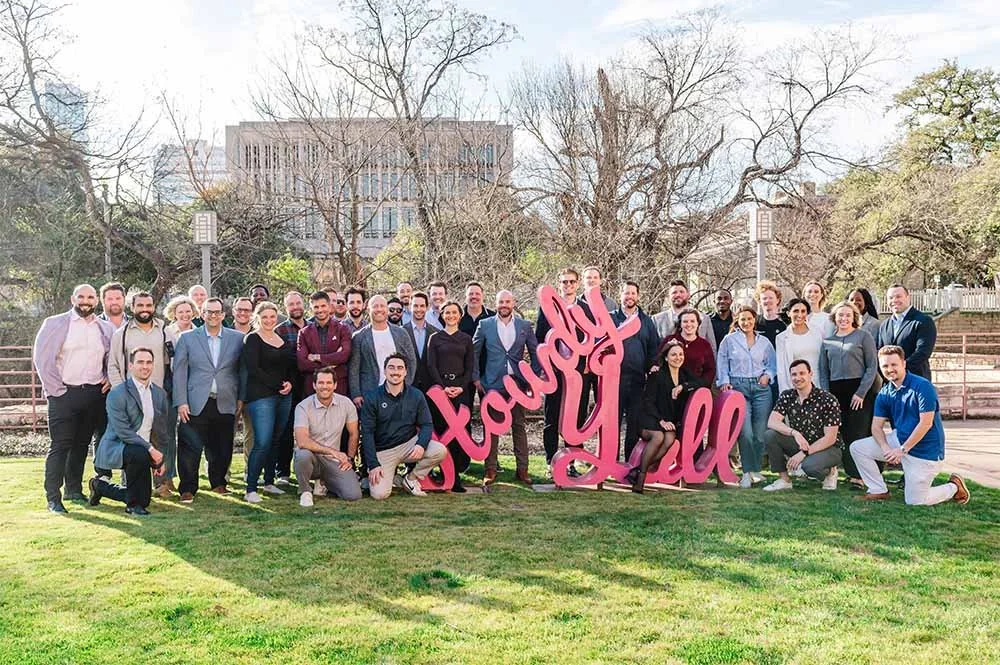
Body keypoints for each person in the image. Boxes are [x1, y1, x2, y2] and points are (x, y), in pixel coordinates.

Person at [850, 346, 969, 505]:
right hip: (899, 441)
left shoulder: (922, 386)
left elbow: (926, 423)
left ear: (904, 364)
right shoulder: (885, 393)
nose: (890, 369)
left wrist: (902, 450)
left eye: (894, 365)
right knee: (858, 448)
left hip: (925, 451)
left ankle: (954, 486)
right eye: (885, 366)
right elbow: (876, 427)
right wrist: (886, 448)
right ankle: (878, 490)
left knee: (916, 501)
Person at [33, 284, 115, 512]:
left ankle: (73, 490)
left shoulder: (105, 328)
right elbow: (42, 360)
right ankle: (53, 498)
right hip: (63, 393)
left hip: (93, 394)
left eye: (90, 297)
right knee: (60, 445)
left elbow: (112, 358)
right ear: (73, 298)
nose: (85, 301)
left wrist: (108, 376)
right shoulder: (55, 323)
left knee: (81, 444)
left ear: (96, 301)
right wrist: (56, 391)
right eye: (81, 296)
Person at [171, 297, 244, 502]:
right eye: (208, 312)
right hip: (194, 401)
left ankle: (219, 483)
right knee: (189, 446)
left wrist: (241, 399)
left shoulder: (237, 338)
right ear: (202, 314)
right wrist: (181, 401)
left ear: (223, 314)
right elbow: (179, 372)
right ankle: (187, 488)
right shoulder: (187, 338)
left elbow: (242, 371)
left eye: (217, 312)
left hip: (225, 400)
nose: (213, 315)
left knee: (221, 446)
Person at [107, 291, 175, 497]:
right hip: (132, 396)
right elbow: (113, 365)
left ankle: (163, 483)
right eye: (140, 306)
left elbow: (173, 359)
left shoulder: (164, 329)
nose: (144, 309)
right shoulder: (122, 333)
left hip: (158, 395)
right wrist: (122, 393)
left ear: (154, 307)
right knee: (134, 439)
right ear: (132, 307)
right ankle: (130, 482)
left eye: (148, 305)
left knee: (163, 438)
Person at [473, 290, 541, 485]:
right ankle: (491, 469)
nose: (504, 305)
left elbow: (535, 352)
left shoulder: (524, 326)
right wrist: (476, 378)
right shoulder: (485, 325)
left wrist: (533, 378)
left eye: (507, 301)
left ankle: (522, 469)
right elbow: (474, 352)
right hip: (492, 384)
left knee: (519, 426)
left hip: (518, 384)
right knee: (491, 427)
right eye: (501, 301)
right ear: (496, 303)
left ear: (514, 303)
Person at [88, 348, 168, 515]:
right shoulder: (118, 393)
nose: (145, 366)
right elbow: (123, 431)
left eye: (148, 362)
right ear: (131, 366)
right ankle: (132, 506)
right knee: (138, 453)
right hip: (118, 446)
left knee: (144, 499)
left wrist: (160, 459)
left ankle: (100, 486)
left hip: (144, 450)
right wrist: (150, 450)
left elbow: (160, 431)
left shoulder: (159, 394)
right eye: (140, 362)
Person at [361, 353, 447, 499]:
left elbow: (426, 424)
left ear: (406, 372)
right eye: (392, 368)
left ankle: (411, 479)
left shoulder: (416, 395)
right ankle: (386, 478)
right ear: (385, 371)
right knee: (380, 494)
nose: (396, 372)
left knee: (439, 450)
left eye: (400, 368)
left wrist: (420, 445)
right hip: (383, 451)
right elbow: (367, 433)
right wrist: (373, 464)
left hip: (409, 445)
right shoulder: (372, 397)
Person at [626, 340, 701, 494]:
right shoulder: (657, 374)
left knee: (670, 439)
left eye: (680, 354)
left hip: (669, 421)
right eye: (673, 354)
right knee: (659, 437)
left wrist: (683, 386)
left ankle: (637, 470)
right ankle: (641, 477)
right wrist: (661, 421)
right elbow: (648, 402)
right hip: (649, 418)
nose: (678, 357)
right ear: (666, 357)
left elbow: (703, 383)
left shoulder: (684, 374)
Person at [817, 301, 878, 489]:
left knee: (858, 433)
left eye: (848, 315)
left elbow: (872, 367)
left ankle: (859, 476)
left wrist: (860, 393)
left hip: (859, 391)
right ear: (834, 318)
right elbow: (823, 371)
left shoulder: (863, 336)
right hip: (836, 392)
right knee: (840, 433)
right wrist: (828, 397)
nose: (843, 318)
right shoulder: (827, 341)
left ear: (854, 318)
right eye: (840, 315)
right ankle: (848, 471)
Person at [716, 304, 777, 488]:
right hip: (738, 387)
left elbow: (772, 365)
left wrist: (768, 375)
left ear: (754, 320)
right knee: (746, 433)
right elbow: (722, 362)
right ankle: (746, 471)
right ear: (738, 321)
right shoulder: (729, 340)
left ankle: (755, 470)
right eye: (743, 319)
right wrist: (724, 381)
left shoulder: (764, 342)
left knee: (759, 434)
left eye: (750, 319)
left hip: (760, 389)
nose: (746, 322)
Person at [241, 301, 295, 503]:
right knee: (262, 442)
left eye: (272, 317)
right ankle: (251, 488)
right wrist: (278, 384)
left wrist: (289, 383)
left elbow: (290, 366)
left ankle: (269, 482)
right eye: (265, 317)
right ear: (257, 318)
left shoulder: (281, 339)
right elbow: (254, 370)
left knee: (275, 440)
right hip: (261, 396)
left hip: (283, 396)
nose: (269, 320)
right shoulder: (252, 339)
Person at [762, 359, 843, 492]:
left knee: (809, 467)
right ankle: (784, 480)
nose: (797, 378)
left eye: (802, 373)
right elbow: (772, 422)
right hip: (801, 443)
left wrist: (804, 453)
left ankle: (829, 472)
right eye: (794, 374)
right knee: (770, 435)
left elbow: (830, 438)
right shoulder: (787, 396)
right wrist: (795, 433)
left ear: (810, 374)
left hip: (828, 448)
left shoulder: (827, 399)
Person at [536, 268, 586, 478]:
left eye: (571, 282)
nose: (568, 286)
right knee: (552, 416)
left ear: (577, 284)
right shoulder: (548, 308)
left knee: (575, 418)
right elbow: (539, 337)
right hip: (554, 370)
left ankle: (571, 462)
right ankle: (551, 462)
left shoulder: (586, 308)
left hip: (576, 372)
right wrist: (544, 367)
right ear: (559, 284)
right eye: (564, 282)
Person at [293, 366, 362, 506]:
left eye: (329, 383)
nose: (325, 387)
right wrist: (333, 451)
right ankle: (305, 491)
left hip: (333, 461)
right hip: (311, 458)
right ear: (314, 385)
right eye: (321, 383)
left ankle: (325, 482)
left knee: (353, 495)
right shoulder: (303, 407)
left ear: (335, 385)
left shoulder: (346, 404)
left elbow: (354, 434)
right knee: (302, 454)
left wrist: (349, 458)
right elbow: (301, 441)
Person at [427, 300, 477, 493]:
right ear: (442, 315)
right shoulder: (435, 338)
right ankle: (440, 472)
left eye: (454, 312)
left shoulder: (466, 339)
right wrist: (442, 387)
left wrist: (460, 387)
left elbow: (470, 366)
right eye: (447, 312)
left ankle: (455, 477)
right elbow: (431, 366)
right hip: (441, 393)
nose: (450, 315)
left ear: (459, 315)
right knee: (441, 433)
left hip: (460, 392)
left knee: (458, 435)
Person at [611, 281, 659, 462]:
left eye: (633, 293)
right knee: (613, 423)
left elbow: (653, 349)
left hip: (638, 380)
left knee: (633, 423)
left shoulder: (646, 321)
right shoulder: (611, 318)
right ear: (620, 295)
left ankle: (630, 462)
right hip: (614, 380)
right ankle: (611, 461)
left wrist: (652, 367)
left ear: (637, 296)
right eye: (626, 293)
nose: (629, 296)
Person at [348, 295, 417, 407]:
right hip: (370, 392)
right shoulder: (359, 337)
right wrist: (356, 393)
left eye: (382, 306)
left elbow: (411, 361)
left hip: (398, 391)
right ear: (368, 309)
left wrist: (406, 384)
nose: (379, 309)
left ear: (387, 309)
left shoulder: (401, 333)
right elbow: (354, 368)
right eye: (375, 306)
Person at [273, 291, 307, 486]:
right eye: (291, 304)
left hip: (311, 385)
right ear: (286, 308)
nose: (295, 307)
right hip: (289, 386)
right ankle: (283, 472)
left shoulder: (313, 327)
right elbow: (280, 361)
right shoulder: (280, 330)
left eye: (298, 303)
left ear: (303, 305)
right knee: (286, 429)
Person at [875, 284, 936, 380]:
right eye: (890, 298)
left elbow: (923, 352)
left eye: (898, 296)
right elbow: (879, 352)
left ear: (908, 297)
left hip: (916, 381)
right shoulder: (884, 325)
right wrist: (887, 372)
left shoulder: (923, 321)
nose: (894, 300)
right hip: (891, 382)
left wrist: (900, 370)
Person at [297, 291, 352, 397]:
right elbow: (302, 364)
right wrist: (332, 361)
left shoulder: (343, 329)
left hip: (338, 387)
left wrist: (317, 357)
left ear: (329, 306)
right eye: (316, 307)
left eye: (323, 306)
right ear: (311, 309)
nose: (320, 310)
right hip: (313, 388)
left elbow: (344, 355)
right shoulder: (304, 333)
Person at [651, 279, 717, 355]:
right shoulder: (657, 320)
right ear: (669, 296)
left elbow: (712, 349)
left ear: (688, 295)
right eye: (674, 292)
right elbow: (653, 348)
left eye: (681, 292)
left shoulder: (704, 318)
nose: (678, 295)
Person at [774, 297, 823, 393]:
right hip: (797, 387)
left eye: (803, 311)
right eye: (796, 311)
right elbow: (782, 370)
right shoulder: (782, 338)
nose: (800, 315)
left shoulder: (817, 332)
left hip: (818, 384)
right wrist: (786, 394)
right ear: (789, 313)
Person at [665, 307, 716, 387]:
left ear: (698, 323)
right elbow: (658, 361)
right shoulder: (670, 340)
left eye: (692, 321)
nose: (689, 324)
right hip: (669, 388)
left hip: (694, 388)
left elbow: (710, 370)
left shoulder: (704, 344)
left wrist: (697, 385)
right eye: (685, 321)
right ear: (680, 324)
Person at [403, 291, 440, 392]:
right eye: (415, 306)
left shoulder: (436, 333)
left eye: (422, 306)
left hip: (430, 386)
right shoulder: (401, 332)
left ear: (427, 307)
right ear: (410, 306)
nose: (419, 309)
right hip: (408, 385)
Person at [754, 280, 788, 349]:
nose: (767, 301)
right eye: (764, 298)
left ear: (777, 300)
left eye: (771, 298)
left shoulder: (786, 322)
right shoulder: (754, 322)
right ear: (759, 301)